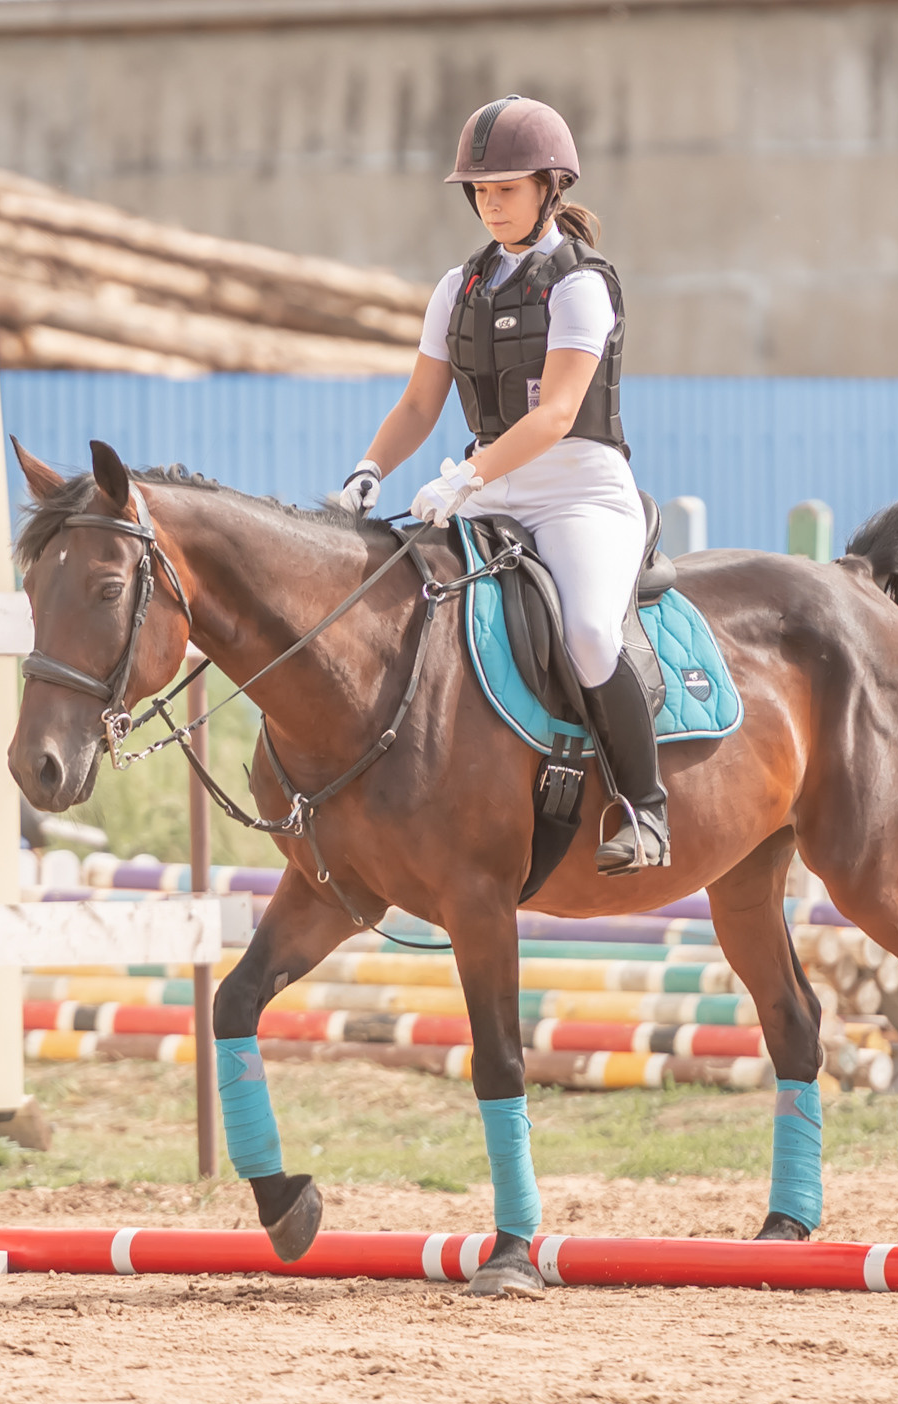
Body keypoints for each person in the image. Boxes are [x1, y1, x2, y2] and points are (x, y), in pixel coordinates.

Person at [337, 95, 666, 875]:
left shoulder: (580, 285)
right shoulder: (459, 287)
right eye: (480, 190)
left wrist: (466, 477)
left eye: (506, 188)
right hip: (486, 485)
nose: (490, 202)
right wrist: (368, 469)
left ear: (550, 187)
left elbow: (555, 414)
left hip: (579, 490)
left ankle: (645, 808)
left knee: (588, 632)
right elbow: (421, 402)